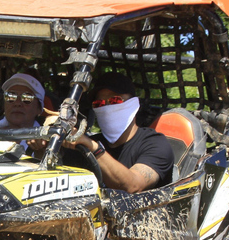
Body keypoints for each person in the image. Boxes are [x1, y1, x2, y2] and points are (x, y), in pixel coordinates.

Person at [29, 72, 173, 192]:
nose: (107, 107)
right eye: (99, 104)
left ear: (134, 103)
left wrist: (93, 147)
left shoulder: (156, 144)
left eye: (115, 100)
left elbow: (133, 186)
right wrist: (42, 148)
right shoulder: (85, 146)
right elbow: (57, 178)